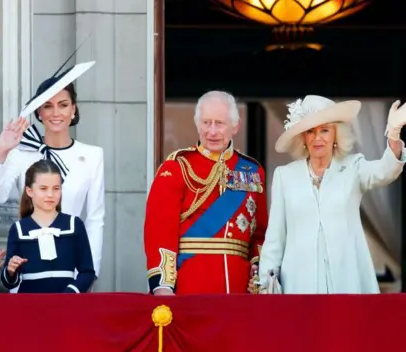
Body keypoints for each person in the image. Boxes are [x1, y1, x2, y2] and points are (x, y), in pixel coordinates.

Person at [256, 95, 406, 294]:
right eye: (310, 131)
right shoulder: (285, 176)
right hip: (299, 285)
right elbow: (275, 237)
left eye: (325, 130)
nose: (317, 138)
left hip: (346, 282)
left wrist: (394, 135)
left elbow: (384, 171)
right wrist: (266, 284)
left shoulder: (353, 167)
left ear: (336, 135)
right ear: (303, 137)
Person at [143, 90, 269, 295]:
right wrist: (163, 285)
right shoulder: (178, 166)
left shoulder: (253, 171)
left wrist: (258, 272)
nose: (212, 131)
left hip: (240, 289)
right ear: (197, 124)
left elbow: (260, 234)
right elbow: (159, 230)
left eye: (219, 123)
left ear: (235, 126)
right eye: (206, 123)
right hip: (190, 286)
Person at [0, 66, 105, 280]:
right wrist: (2, 151)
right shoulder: (21, 153)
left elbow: (95, 219)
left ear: (73, 109)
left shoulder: (92, 155)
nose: (56, 113)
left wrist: (89, 274)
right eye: (48, 106)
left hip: (72, 266)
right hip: (27, 261)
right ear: (39, 112)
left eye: (63, 105)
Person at [1, 160, 95, 293]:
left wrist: (70, 293)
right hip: (30, 305)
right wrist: (11, 271)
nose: (50, 194)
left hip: (66, 306)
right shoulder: (18, 229)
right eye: (43, 189)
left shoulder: (74, 225)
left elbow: (87, 272)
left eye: (56, 188)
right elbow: (8, 283)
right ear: (29, 191)